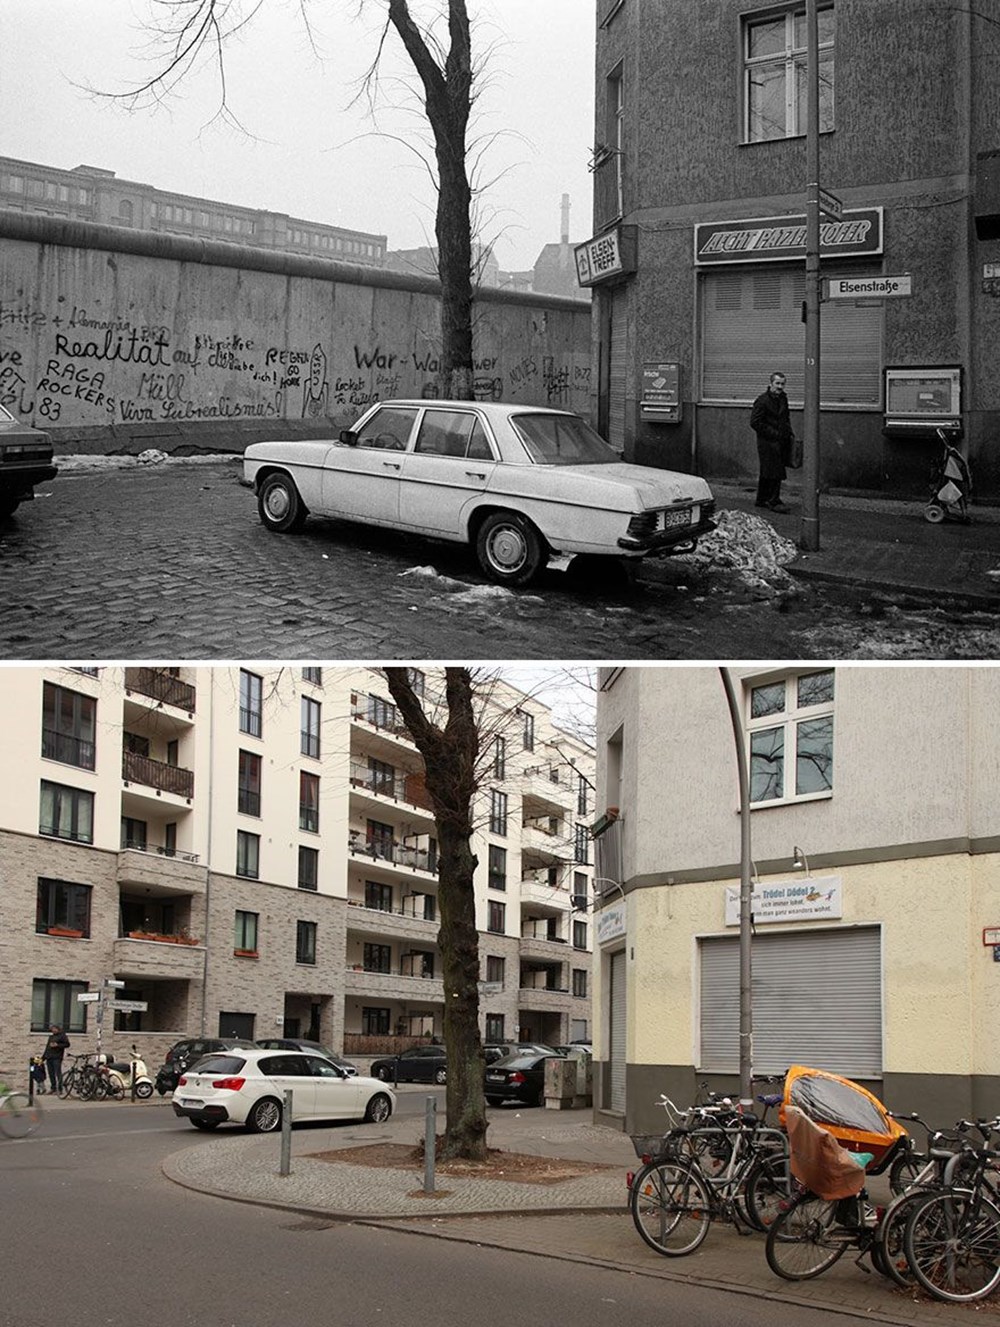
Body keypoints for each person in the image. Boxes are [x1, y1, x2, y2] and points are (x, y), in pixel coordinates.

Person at [750, 371, 794, 513]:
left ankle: (762, 499)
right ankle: (773, 501)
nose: (780, 387)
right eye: (777, 383)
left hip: (780, 441)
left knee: (768, 471)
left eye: (782, 384)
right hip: (768, 442)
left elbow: (785, 418)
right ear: (771, 384)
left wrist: (789, 433)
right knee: (775, 471)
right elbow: (755, 422)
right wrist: (774, 434)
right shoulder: (762, 400)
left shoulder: (782, 399)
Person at [42, 1024, 70, 1094]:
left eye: (54, 1029)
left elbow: (67, 1044)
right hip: (49, 1057)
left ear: (58, 1029)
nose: (53, 1030)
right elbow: (47, 1048)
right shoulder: (51, 1037)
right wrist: (43, 1058)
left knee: (58, 1073)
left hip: (57, 1057)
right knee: (51, 1073)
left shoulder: (62, 1036)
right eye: (52, 1029)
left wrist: (57, 1045)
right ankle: (53, 1088)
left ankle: (60, 1089)